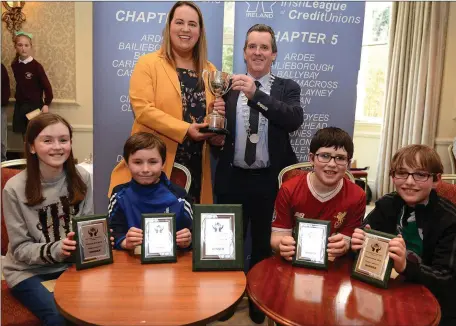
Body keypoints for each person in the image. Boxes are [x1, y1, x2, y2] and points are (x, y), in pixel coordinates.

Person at [212, 24, 304, 323]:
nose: (257, 52)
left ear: (274, 54)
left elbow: (292, 120)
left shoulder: (287, 87)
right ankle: (228, 297)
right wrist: (217, 135)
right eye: (252, 46)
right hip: (232, 178)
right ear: (244, 52)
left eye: (264, 47)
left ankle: (259, 299)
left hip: (269, 181)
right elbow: (220, 135)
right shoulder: (227, 86)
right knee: (229, 244)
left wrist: (256, 94)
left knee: (265, 244)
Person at [108, 1, 224, 204]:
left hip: (196, 167)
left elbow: (209, 118)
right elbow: (143, 110)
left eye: (192, 24)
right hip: (155, 166)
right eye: (179, 22)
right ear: (169, 27)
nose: (185, 29)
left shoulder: (211, 70)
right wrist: (186, 129)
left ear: (200, 31)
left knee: (186, 231)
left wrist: (216, 116)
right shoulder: (148, 63)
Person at [2, 113, 93, 325]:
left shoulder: (83, 177)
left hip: (70, 267)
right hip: (27, 272)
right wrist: (58, 249)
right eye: (47, 140)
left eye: (63, 140)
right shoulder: (14, 188)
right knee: (59, 316)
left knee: (96, 308)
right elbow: (20, 249)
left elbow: (87, 224)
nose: (57, 147)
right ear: (32, 146)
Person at [351, 144, 456, 326]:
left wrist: (406, 266)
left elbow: (445, 278)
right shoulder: (387, 204)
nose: (409, 182)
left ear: (436, 180)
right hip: (390, 293)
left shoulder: (450, 219)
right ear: (393, 177)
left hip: (435, 305)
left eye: (420, 175)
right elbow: (365, 233)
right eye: (401, 173)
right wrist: (358, 243)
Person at [271, 127, 366, 260]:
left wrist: (343, 245)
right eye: (325, 156)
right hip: (294, 261)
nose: (332, 164)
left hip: (334, 265)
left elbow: (348, 239)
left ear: (348, 164)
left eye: (340, 158)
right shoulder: (289, 189)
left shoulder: (358, 195)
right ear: (311, 158)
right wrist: (282, 244)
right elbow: (277, 236)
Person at [108, 132, 193, 250]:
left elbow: (193, 234)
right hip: (132, 263)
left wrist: (188, 240)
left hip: (172, 264)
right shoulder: (119, 195)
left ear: (163, 163)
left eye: (153, 162)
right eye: (137, 162)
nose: (145, 169)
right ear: (127, 163)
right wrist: (125, 242)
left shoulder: (180, 197)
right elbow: (113, 233)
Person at [11, 31, 53, 137]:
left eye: (26, 45)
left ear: (30, 47)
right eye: (20, 45)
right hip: (20, 106)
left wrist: (46, 104)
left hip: (34, 107)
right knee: (23, 135)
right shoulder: (15, 65)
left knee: (33, 135)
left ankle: (34, 154)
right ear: (15, 47)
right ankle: (27, 154)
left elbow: (47, 88)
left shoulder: (36, 66)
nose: (23, 48)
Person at [1, 62, 10, 161]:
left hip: (0, 107)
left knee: (1, 139)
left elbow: (6, 88)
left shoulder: (1, 68)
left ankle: (2, 162)